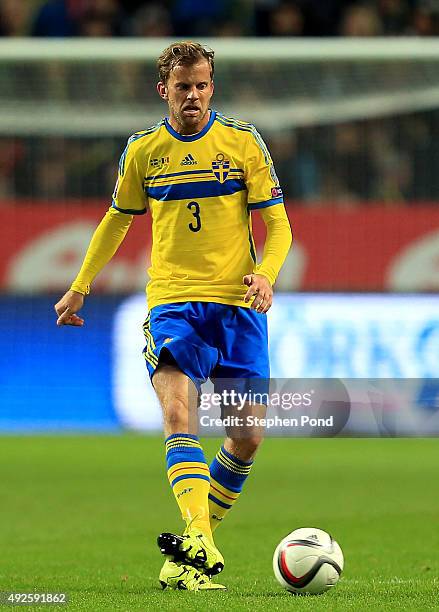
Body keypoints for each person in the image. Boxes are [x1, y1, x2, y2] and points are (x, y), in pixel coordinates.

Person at [54, 41, 292, 591]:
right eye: (183, 86)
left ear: (213, 86)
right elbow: (117, 219)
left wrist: (267, 274)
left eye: (202, 85)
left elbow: (278, 224)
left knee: (248, 436)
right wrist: (80, 285)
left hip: (238, 306)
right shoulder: (142, 151)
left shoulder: (243, 142)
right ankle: (200, 542)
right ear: (164, 90)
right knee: (179, 415)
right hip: (173, 303)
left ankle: (185, 555)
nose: (194, 95)